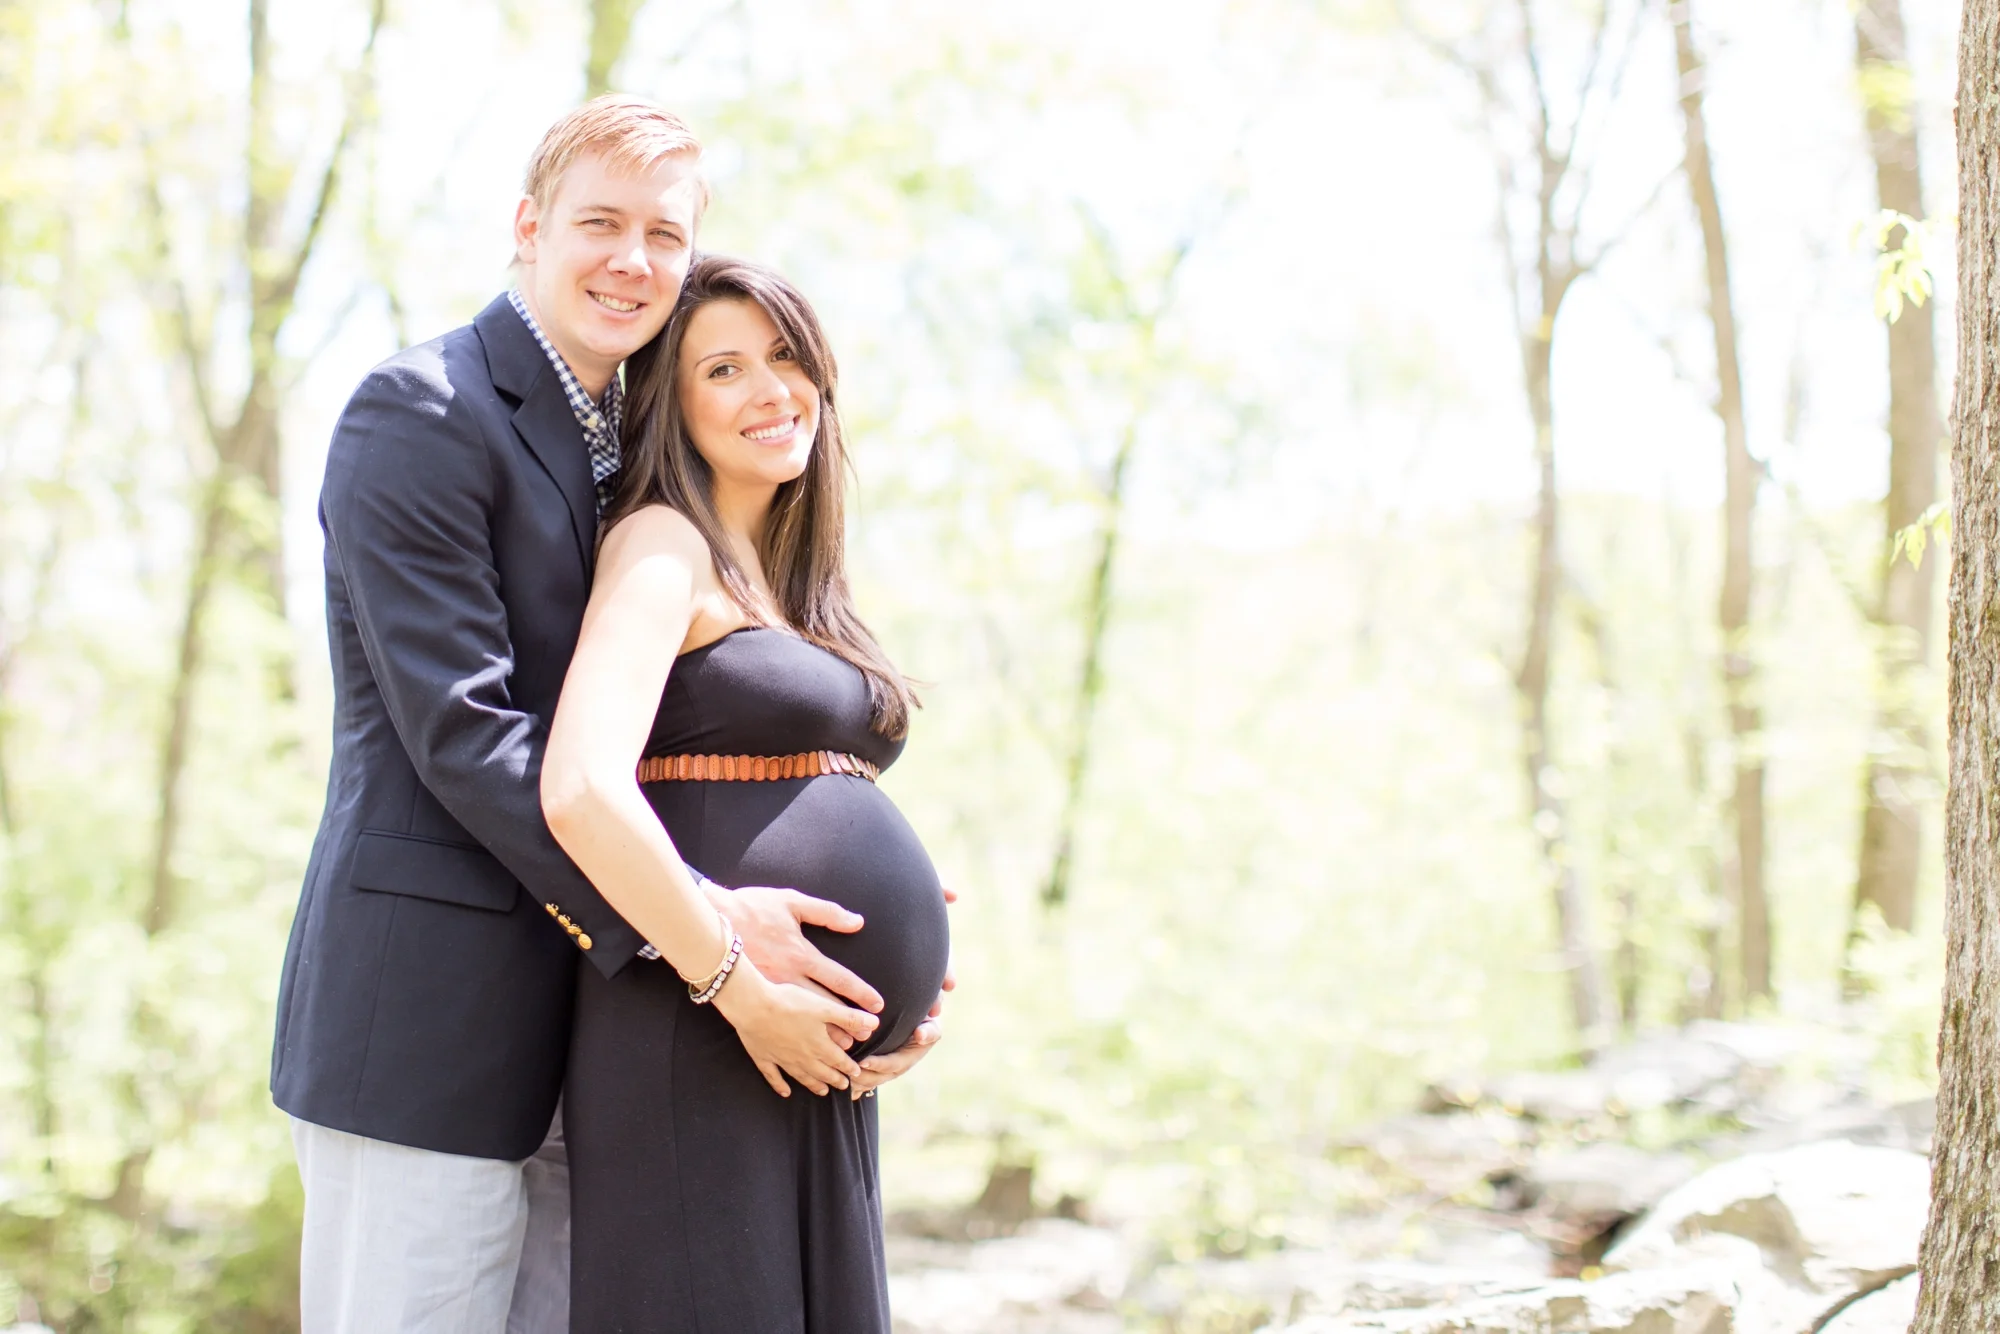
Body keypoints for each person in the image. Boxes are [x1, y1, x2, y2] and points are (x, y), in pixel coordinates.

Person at [270, 97, 944, 1333]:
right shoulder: (420, 411)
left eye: (663, 234)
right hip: (434, 1027)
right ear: (527, 228)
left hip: (605, 1042)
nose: (633, 261)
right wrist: (715, 938)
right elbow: (468, 733)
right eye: (600, 224)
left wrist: (868, 926)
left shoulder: (630, 453)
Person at [540, 254, 952, 1330]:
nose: (771, 388)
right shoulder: (662, 541)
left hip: (805, 1058)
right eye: (723, 368)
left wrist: (907, 972)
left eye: (784, 356)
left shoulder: (790, 578)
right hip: (703, 1027)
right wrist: (733, 975)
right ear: (670, 407)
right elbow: (582, 786)